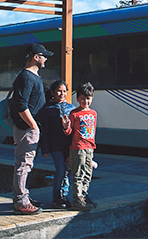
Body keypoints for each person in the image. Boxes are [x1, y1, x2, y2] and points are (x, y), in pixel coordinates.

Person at [10, 43, 53, 215]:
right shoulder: (27, 77)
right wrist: (34, 125)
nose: (46, 59)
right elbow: (21, 105)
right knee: (23, 164)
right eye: (44, 55)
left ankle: (23, 197)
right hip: (27, 129)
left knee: (25, 164)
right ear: (36, 57)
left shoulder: (31, 76)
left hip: (29, 128)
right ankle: (21, 201)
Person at [37, 80, 76, 209]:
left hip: (68, 146)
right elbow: (45, 130)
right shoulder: (48, 110)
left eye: (64, 91)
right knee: (60, 170)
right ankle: (56, 198)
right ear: (53, 92)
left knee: (67, 172)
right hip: (55, 146)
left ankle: (64, 195)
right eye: (59, 91)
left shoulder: (71, 108)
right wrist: (45, 148)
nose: (62, 93)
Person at [62, 82, 97, 211]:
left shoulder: (93, 113)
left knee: (88, 173)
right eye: (82, 98)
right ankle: (77, 199)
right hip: (77, 148)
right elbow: (69, 131)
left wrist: (92, 147)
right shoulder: (74, 113)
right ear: (77, 98)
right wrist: (66, 127)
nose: (85, 101)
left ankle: (84, 195)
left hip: (89, 148)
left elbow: (92, 131)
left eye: (88, 99)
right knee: (78, 173)